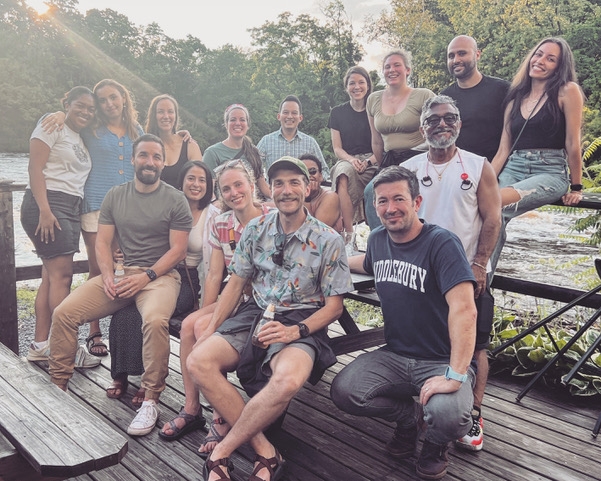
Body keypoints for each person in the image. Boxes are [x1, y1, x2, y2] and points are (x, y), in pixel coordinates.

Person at [187, 156, 352, 481]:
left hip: (304, 319)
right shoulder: (255, 229)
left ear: (308, 187)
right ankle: (265, 451)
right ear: (270, 189)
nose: (286, 190)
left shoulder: (328, 240)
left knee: (287, 380)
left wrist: (295, 331)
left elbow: (334, 308)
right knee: (198, 361)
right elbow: (235, 285)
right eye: (279, 183)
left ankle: (221, 451)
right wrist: (210, 330)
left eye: (294, 182)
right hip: (255, 313)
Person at [330, 165, 477, 480]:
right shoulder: (379, 238)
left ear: (417, 202)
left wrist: (455, 374)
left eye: (398, 199)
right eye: (382, 201)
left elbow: (466, 311)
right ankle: (410, 421)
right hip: (395, 353)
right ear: (375, 207)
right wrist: (327, 263)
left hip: (440, 358)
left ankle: (436, 444)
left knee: (449, 414)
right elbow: (365, 262)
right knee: (345, 391)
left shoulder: (442, 244)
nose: (390, 208)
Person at [48, 134, 193, 437]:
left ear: (163, 162)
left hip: (160, 278)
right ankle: (57, 388)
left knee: (154, 321)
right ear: (133, 159)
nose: (149, 162)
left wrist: (147, 276)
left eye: (156, 157)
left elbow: (178, 250)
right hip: (121, 275)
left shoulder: (175, 199)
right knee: (64, 313)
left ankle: (151, 399)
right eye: (143, 155)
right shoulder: (115, 195)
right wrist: (109, 275)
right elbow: (102, 242)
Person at [402, 95, 501, 452]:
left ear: (459, 123)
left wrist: (480, 263)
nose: (441, 124)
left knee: (477, 347)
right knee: (421, 341)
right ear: (422, 126)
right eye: (433, 119)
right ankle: (422, 407)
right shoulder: (411, 168)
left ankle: (474, 410)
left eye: (449, 118)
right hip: (422, 273)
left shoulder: (478, 166)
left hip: (466, 272)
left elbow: (493, 217)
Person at [159, 160, 271, 451]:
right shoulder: (221, 223)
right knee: (189, 325)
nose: (234, 192)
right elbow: (214, 273)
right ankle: (192, 408)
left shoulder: (272, 217)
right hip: (234, 296)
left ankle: (220, 417)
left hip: (262, 301)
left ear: (250, 185)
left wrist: (211, 324)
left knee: (203, 328)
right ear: (219, 194)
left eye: (238, 185)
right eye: (226, 189)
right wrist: (205, 314)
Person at [42, 79, 145, 357]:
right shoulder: (93, 129)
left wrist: (182, 135)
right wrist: (60, 114)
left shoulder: (138, 130)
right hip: (96, 206)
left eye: (114, 97)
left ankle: (129, 330)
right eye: (103, 100)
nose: (109, 103)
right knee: (100, 267)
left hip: (129, 207)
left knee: (129, 265)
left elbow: (154, 153)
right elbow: (73, 120)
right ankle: (93, 330)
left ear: (124, 98)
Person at [107, 161, 219, 407]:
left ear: (209, 186)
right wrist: (121, 252)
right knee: (123, 311)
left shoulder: (214, 215)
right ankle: (121, 374)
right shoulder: (165, 204)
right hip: (152, 272)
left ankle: (149, 383)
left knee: (144, 314)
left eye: (202, 180)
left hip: (188, 281)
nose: (196, 184)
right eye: (191, 178)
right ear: (181, 182)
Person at [490, 37, 585, 272]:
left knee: (494, 206)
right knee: (483, 211)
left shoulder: (567, 91)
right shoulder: (515, 97)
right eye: (539, 54)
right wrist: (485, 182)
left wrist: (577, 186)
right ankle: (479, 288)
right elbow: (504, 149)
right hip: (514, 166)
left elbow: (573, 143)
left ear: (558, 67)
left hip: (550, 170)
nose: (541, 61)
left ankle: (478, 286)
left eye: (550, 59)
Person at [22, 86, 100, 369]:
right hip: (49, 204)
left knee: (50, 276)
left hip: (68, 207)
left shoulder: (78, 137)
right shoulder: (51, 124)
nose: (86, 112)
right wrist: (44, 210)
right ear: (66, 102)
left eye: (91, 109)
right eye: (80, 106)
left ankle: (41, 345)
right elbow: (35, 168)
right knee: (63, 277)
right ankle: (65, 348)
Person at [363, 50, 435, 229]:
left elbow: (435, 132)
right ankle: (380, 239)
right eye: (387, 67)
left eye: (397, 65)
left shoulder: (424, 95)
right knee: (371, 190)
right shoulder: (373, 99)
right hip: (390, 162)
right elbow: (377, 141)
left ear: (407, 70)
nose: (391, 70)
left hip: (419, 159)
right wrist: (382, 170)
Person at [441, 35, 510, 162]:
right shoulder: (444, 98)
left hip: (497, 169)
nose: (456, 60)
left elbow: (509, 142)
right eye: (451, 56)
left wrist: (490, 177)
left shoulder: (502, 90)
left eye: (462, 53)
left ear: (477, 55)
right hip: (458, 169)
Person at [329, 66, 378, 232]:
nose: (357, 87)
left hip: (374, 159)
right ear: (346, 87)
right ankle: (348, 234)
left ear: (368, 85)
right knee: (343, 174)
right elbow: (337, 148)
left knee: (382, 181)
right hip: (348, 159)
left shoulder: (376, 110)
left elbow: (382, 144)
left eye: (361, 82)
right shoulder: (337, 113)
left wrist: (368, 161)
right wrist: (351, 160)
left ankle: (377, 234)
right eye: (352, 83)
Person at [202, 104, 271, 200]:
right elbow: (207, 191)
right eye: (233, 120)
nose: (238, 123)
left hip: (252, 208)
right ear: (226, 124)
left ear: (248, 125)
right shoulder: (212, 153)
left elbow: (263, 187)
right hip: (226, 207)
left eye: (242, 120)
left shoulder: (254, 152)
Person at [256, 95, 330, 179]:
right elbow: (253, 167)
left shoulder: (310, 143)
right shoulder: (266, 141)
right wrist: (264, 187)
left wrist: (313, 182)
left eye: (294, 113)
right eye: (285, 112)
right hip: (273, 190)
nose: (290, 116)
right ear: (279, 116)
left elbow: (324, 170)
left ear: (300, 117)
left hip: (303, 191)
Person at [145, 94, 203, 187]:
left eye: (170, 112)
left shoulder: (190, 145)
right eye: (160, 112)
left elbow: (200, 181)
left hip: (185, 201)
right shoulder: (146, 147)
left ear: (176, 115)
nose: (166, 116)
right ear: (153, 116)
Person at [300, 153, 343, 233]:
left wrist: (307, 196)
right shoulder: (292, 197)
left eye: (312, 171)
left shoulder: (330, 197)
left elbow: (315, 232)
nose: (309, 176)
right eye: (303, 172)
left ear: (321, 176)